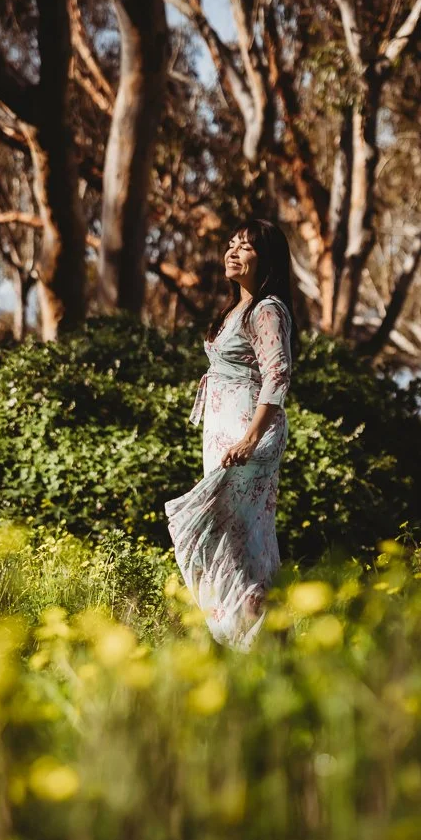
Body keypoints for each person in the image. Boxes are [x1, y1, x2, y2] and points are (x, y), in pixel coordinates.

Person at [164, 219, 299, 650]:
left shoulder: (266, 309)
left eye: (245, 247)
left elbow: (277, 376)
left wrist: (250, 439)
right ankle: (263, 646)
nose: (233, 252)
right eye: (231, 244)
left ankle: (260, 644)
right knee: (239, 542)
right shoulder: (236, 309)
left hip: (247, 436)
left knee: (235, 538)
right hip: (225, 435)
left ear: (267, 259)